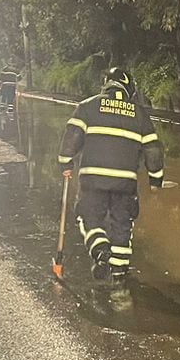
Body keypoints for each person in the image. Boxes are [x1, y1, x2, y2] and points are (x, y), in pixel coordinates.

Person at [59, 67, 164, 282]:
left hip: (92, 179)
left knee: (89, 218)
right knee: (122, 225)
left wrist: (65, 163)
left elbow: (71, 137)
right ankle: (119, 273)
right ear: (129, 89)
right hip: (125, 182)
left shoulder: (87, 107)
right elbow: (153, 149)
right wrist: (156, 179)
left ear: (106, 84)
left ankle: (100, 250)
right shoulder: (140, 114)